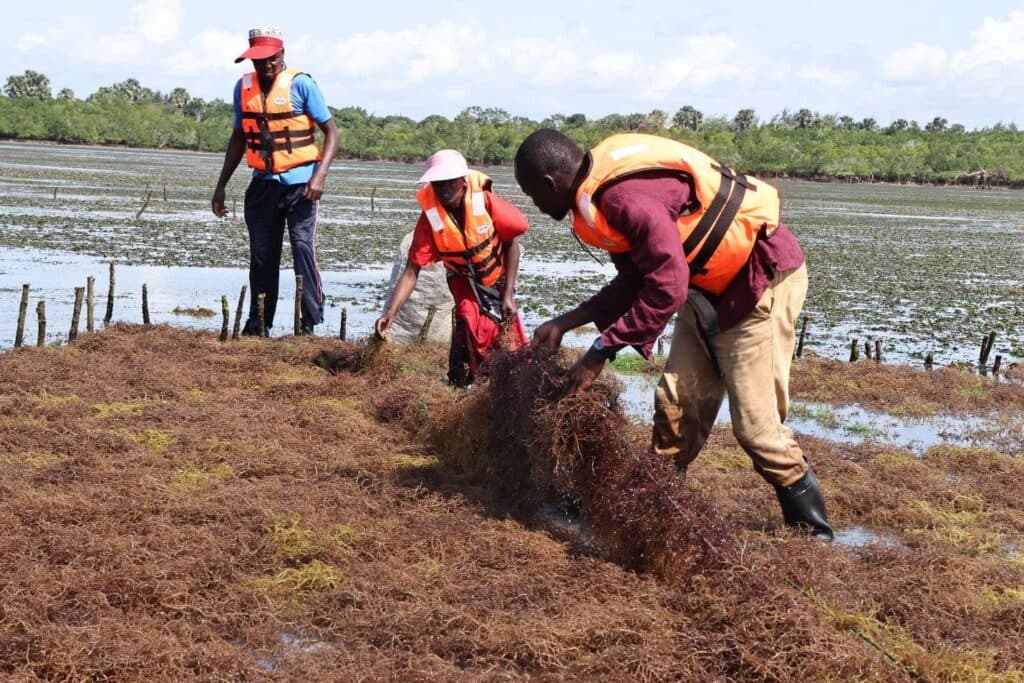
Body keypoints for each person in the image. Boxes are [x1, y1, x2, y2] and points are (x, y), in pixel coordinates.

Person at [513, 130, 833, 541]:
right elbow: (634, 280)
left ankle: (815, 536)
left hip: (757, 285)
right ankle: (652, 510)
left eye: (534, 197)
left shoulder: (623, 200)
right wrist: (565, 323)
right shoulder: (601, 195)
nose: (538, 208)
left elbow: (667, 287)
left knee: (756, 430)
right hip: (705, 292)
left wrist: (600, 351)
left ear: (549, 184)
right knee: (675, 408)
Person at [211, 27, 339, 336]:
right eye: (259, 60)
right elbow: (239, 137)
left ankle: (307, 323)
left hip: (301, 185)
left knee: (302, 249)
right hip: (262, 185)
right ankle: (258, 323)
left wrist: (319, 175)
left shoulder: (301, 84)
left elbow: (332, 133)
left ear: (282, 55)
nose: (266, 65)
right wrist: (221, 186)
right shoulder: (242, 88)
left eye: (271, 59)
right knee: (262, 255)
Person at [376, 150, 529, 387]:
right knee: (467, 320)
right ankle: (461, 379)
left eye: (450, 182)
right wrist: (391, 314)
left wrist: (508, 294)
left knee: (504, 336)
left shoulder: (485, 202)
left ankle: (504, 381)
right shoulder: (431, 218)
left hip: (497, 280)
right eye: (438, 184)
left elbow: (513, 242)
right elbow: (411, 271)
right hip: (463, 279)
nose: (444, 189)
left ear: (463, 181)